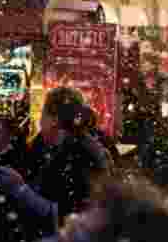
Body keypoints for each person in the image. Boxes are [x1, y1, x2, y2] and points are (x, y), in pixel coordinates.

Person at [20, 87, 112, 221]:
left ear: (54, 119)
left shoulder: (82, 153)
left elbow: (71, 213)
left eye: (43, 113)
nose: (40, 121)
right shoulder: (41, 146)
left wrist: (20, 190)